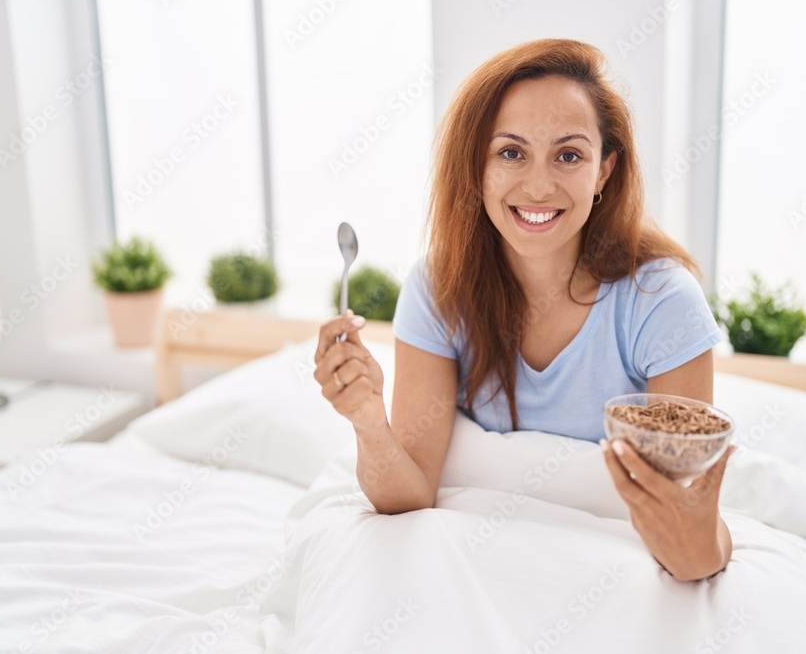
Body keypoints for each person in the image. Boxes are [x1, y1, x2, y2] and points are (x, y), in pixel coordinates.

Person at [313, 39, 734, 582]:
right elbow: (408, 495)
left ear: (603, 172)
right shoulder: (438, 287)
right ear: (478, 165)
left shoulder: (662, 302)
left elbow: (688, 539)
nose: (538, 186)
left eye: (569, 155)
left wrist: (701, 541)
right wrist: (369, 423)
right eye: (510, 152)